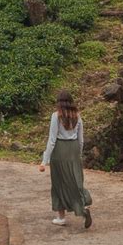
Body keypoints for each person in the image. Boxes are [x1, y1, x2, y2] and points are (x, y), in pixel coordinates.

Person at [39, 90, 92, 229]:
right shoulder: (77, 117)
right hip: (74, 149)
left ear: (59, 103)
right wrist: (78, 155)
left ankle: (61, 217)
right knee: (76, 180)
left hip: (60, 150)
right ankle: (83, 205)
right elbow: (81, 140)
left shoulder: (56, 116)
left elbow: (52, 140)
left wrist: (44, 161)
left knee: (59, 183)